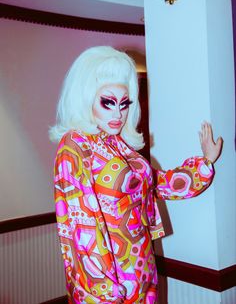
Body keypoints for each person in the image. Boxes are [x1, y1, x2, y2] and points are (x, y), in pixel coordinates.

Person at [49, 46, 222, 304]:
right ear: (85, 97)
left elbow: (158, 184)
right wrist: (104, 289)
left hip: (142, 266)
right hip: (109, 281)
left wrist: (205, 162)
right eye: (107, 102)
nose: (118, 114)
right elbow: (79, 225)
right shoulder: (74, 145)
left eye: (124, 103)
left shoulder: (118, 145)